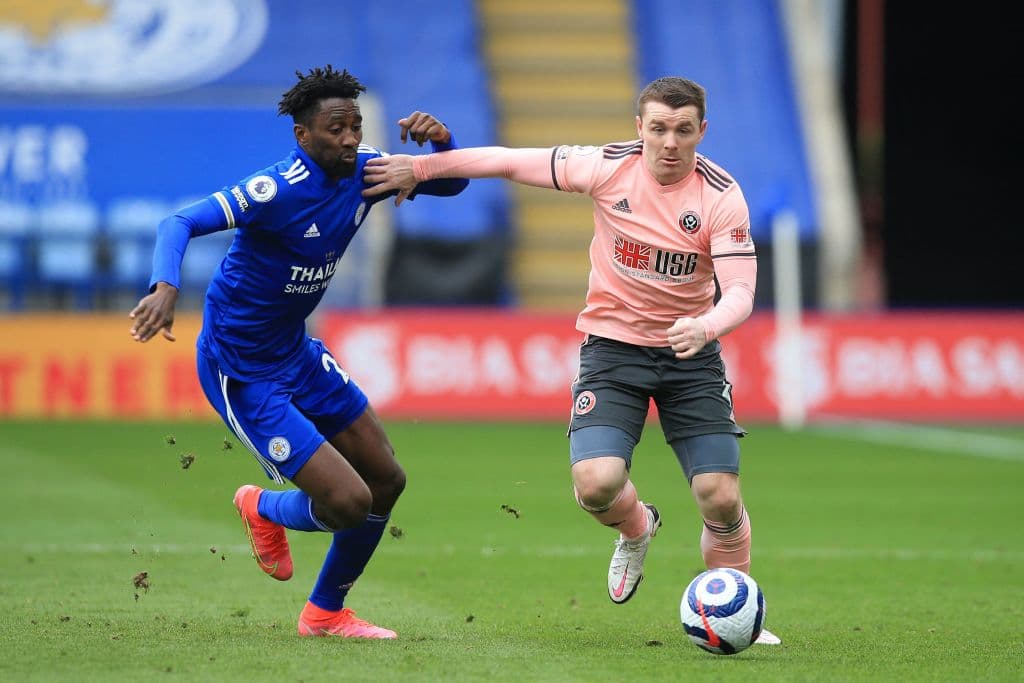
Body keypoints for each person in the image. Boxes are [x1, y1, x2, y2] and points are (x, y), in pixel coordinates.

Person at [362, 76, 780, 645]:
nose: (670, 142)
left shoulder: (721, 196)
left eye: (683, 130)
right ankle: (637, 528)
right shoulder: (606, 167)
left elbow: (741, 292)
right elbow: (509, 162)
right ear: (640, 127)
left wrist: (704, 326)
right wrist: (421, 168)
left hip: (690, 353)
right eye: (659, 128)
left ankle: (738, 611)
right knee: (596, 485)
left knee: (720, 496)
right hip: (613, 348)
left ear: (701, 131)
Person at [129, 65, 468, 639]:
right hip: (241, 370)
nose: (351, 139)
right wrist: (165, 287)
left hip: (297, 353)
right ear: (303, 135)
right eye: (336, 129)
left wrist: (442, 145)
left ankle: (324, 614)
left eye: (356, 127)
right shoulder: (275, 190)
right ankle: (262, 506)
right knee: (350, 502)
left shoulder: (367, 171)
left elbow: (451, 184)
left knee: (386, 481)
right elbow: (178, 221)